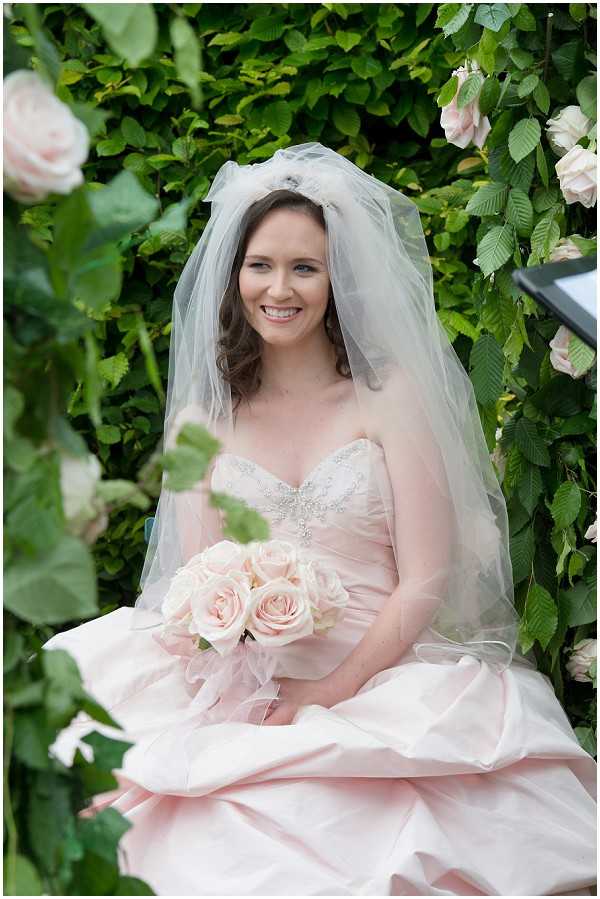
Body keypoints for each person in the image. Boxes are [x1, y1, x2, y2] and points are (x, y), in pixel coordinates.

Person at [46, 144, 596, 896]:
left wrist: (328, 690)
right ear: (233, 274)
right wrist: (236, 687)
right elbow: (196, 584)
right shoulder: (204, 417)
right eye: (261, 264)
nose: (281, 288)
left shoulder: (386, 396)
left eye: (305, 267)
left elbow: (425, 578)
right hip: (249, 682)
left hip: (385, 677)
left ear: (339, 281)